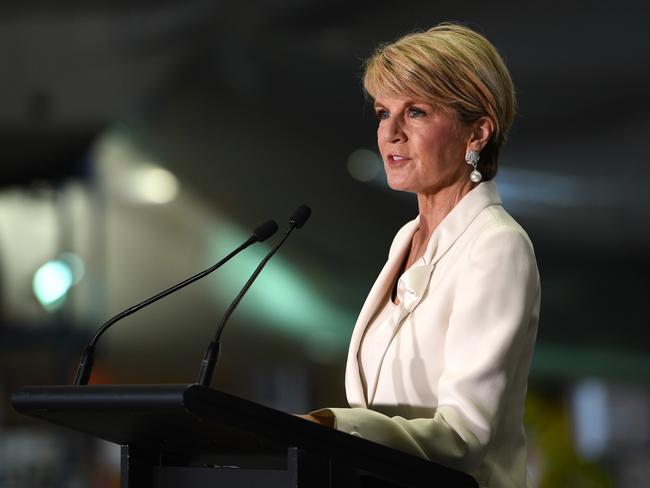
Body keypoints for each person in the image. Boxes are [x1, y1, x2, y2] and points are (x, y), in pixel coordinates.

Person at [298, 23, 541, 488]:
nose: (389, 133)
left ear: (478, 132)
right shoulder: (406, 239)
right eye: (383, 112)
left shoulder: (496, 246)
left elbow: (463, 437)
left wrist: (333, 426)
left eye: (415, 112)